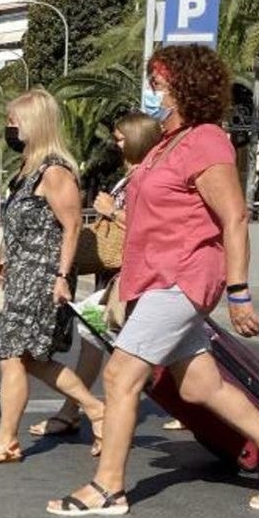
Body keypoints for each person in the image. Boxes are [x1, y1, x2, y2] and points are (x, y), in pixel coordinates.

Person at [48, 45, 259, 515]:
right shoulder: (163, 145)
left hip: (183, 277)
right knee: (199, 387)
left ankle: (108, 486)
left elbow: (233, 217)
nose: (154, 90)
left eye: (161, 82)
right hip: (154, 279)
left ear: (185, 86)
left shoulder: (206, 140)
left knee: (119, 375)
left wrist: (239, 291)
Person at [0, 89, 107, 466]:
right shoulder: (27, 171)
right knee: (30, 360)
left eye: (14, 122)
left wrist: (61, 277)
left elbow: (72, 226)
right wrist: (3, 262)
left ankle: (6, 442)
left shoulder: (55, 170)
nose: (9, 128)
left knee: (13, 357)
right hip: (23, 276)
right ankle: (95, 409)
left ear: (35, 125)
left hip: (43, 278)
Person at [28, 111, 168, 446]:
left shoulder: (147, 178)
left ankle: (98, 419)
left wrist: (112, 213)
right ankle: (73, 409)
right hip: (113, 275)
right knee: (96, 339)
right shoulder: (129, 177)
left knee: (123, 358)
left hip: (133, 277)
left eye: (121, 138)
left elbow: (154, 227)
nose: (116, 145)